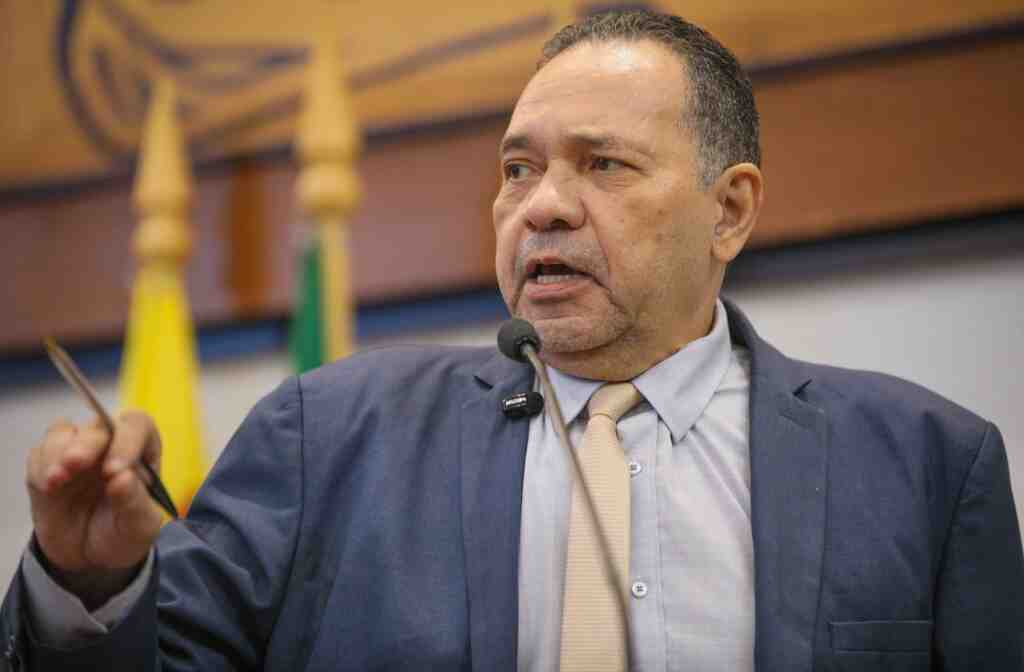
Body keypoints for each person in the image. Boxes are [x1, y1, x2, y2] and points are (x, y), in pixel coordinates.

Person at [3, 9, 1022, 671]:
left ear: (730, 209)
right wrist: (89, 586)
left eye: (603, 165)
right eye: (518, 170)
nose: (542, 207)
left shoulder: (924, 467)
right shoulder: (330, 436)